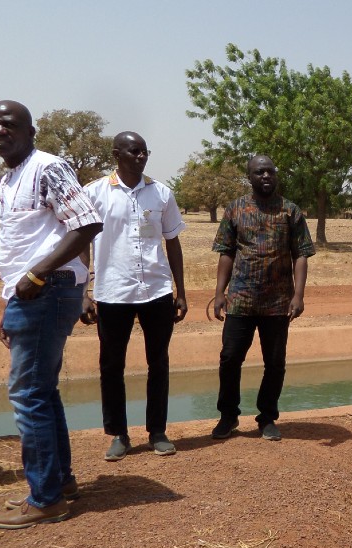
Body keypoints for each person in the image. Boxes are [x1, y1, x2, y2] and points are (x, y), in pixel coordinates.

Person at [0, 100, 103, 529]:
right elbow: (25, 241)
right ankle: (58, 482)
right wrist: (12, 300)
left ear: (31, 131)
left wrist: (35, 276)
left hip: (46, 290)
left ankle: (46, 498)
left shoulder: (47, 168)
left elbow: (87, 223)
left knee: (28, 394)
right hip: (31, 294)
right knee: (42, 389)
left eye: (9, 124)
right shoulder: (9, 179)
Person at [81, 132, 188, 461]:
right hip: (113, 291)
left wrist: (180, 291)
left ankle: (157, 432)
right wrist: (84, 290)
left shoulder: (161, 193)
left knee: (158, 363)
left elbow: (172, 241)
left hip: (156, 290)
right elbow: (81, 241)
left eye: (144, 151)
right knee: (111, 365)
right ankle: (119, 434)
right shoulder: (95, 193)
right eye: (134, 151)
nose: (141, 157)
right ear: (117, 154)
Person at [210, 155, 314, 442]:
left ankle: (267, 417)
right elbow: (226, 252)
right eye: (259, 172)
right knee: (229, 359)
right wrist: (220, 292)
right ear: (250, 177)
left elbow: (301, 254)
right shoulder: (235, 209)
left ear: (276, 175)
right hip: (240, 300)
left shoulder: (290, 211)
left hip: (278, 303)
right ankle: (228, 416)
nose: (266, 176)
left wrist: (299, 295)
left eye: (270, 171)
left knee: (275, 363)